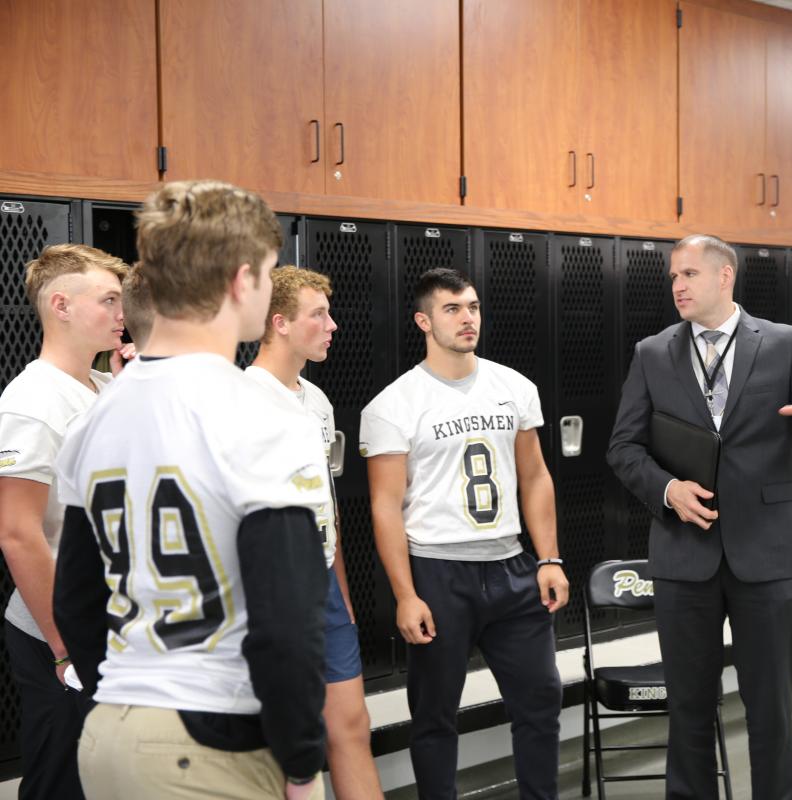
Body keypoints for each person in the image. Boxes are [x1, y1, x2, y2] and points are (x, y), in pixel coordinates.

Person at [51, 180, 330, 800]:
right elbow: (287, 621)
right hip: (212, 741)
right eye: (267, 271)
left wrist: (129, 696)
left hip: (109, 735)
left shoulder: (95, 416)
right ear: (240, 281)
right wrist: (303, 763)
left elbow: (73, 598)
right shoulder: (263, 415)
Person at [607, 234, 792, 799]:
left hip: (767, 557)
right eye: (673, 277)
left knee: (770, 713)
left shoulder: (784, 344)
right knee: (688, 711)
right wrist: (668, 491)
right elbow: (623, 448)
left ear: (725, 276)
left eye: (689, 274)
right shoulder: (652, 352)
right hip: (683, 558)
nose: (677, 286)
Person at [361, 268, 568, 800]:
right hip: (438, 573)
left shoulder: (514, 387)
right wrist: (406, 595)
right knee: (434, 715)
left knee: (541, 703)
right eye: (452, 309)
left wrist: (549, 559)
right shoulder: (393, 405)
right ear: (424, 320)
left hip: (512, 568)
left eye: (472, 306)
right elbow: (385, 506)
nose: (467, 317)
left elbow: (535, 475)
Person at [245, 265, 383, 799]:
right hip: (273, 590)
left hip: (322, 581)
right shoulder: (243, 399)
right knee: (285, 739)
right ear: (279, 322)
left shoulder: (318, 401)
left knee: (351, 725)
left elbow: (327, 507)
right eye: (318, 315)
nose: (333, 325)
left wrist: (342, 591)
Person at [0, 243, 128, 800]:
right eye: (109, 300)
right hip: (58, 633)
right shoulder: (31, 402)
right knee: (61, 783)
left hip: (107, 620)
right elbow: (18, 533)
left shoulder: (105, 387)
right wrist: (65, 648)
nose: (122, 313)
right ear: (61, 305)